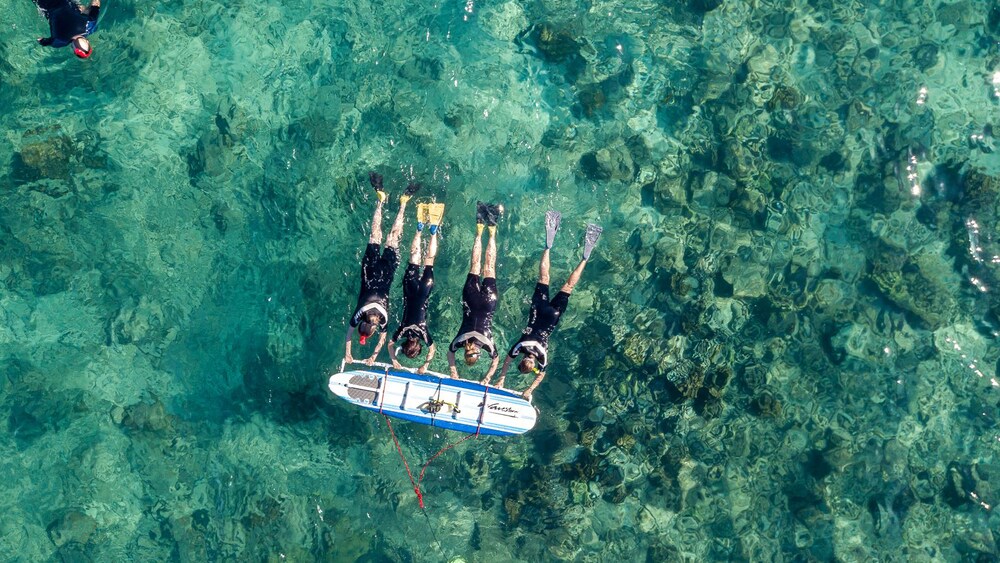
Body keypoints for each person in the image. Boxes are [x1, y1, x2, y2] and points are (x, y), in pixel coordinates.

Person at [487, 211, 602, 400]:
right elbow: (507, 361)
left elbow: (541, 374)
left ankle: (584, 258)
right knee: (544, 278)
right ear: (524, 359)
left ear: (531, 363)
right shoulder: (519, 347)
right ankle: (548, 246)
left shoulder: (542, 358)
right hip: (538, 310)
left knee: (568, 286)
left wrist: (529, 390)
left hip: (551, 317)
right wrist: (501, 377)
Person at [345, 173, 420, 366]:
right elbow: (349, 334)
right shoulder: (359, 313)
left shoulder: (383, 319)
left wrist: (373, 356)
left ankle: (403, 204)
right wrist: (350, 352)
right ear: (364, 324)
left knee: (394, 237)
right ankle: (380, 199)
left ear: (373, 326)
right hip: (369, 271)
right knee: (375, 235)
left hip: (386, 274)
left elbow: (382, 340)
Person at [387, 202, 446, 374]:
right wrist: (394, 359)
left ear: (418, 346)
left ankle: (433, 231)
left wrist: (425, 365)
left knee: (429, 260)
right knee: (414, 256)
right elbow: (390, 344)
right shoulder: (401, 331)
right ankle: (419, 229)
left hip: (425, 290)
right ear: (404, 344)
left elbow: (432, 350)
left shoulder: (423, 333)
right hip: (410, 289)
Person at [448, 202, 503, 380]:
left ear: (478, 355)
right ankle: (479, 228)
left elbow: (496, 361)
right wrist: (453, 370)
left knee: (489, 266)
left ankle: (492, 228)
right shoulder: (458, 342)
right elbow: (450, 355)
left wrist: (488, 378)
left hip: (488, 303)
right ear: (465, 353)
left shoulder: (488, 346)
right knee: (475, 265)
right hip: (471, 300)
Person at [35, 0, 101, 59]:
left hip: (67, 2)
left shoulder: (90, 25)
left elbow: (96, 3)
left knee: (83, 9)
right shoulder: (59, 41)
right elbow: (40, 40)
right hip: (45, 4)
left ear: (87, 41)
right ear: (73, 49)